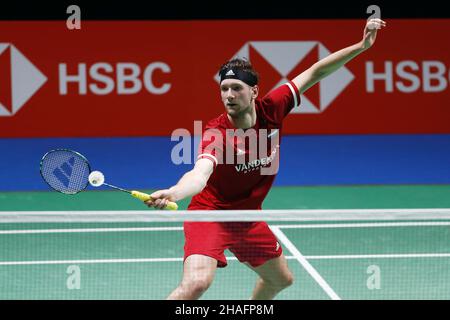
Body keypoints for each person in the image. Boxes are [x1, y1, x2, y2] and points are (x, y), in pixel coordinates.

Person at [145, 18, 386, 300]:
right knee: (197, 283)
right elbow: (200, 173)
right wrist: (174, 192)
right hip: (210, 215)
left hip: (247, 218)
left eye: (237, 88)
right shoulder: (217, 133)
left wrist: (361, 46)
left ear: (254, 91)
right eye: (224, 89)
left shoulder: (273, 107)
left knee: (280, 280)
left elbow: (316, 71)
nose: (229, 95)